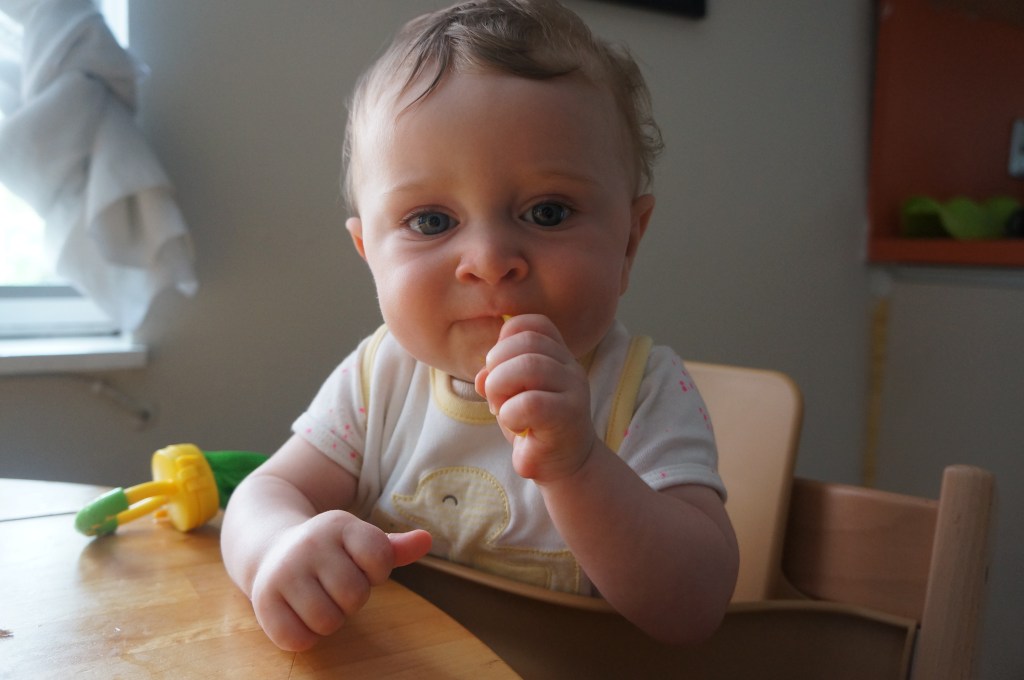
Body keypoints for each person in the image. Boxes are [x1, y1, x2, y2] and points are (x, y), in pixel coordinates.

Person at [221, 0, 739, 653]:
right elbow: (264, 491)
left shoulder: (640, 390)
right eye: (432, 222)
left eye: (548, 212)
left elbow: (695, 604)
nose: (491, 262)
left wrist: (577, 463)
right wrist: (276, 549)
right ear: (369, 255)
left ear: (629, 241)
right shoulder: (379, 378)